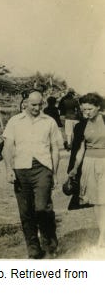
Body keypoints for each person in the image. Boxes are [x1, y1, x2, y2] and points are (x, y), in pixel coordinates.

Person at [3, 90, 62, 259]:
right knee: (26, 211)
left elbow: (55, 149)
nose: (37, 108)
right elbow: (7, 148)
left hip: (43, 167)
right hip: (21, 169)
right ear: (25, 103)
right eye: (33, 104)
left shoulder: (49, 122)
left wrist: (55, 173)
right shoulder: (15, 121)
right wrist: (8, 170)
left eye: (39, 104)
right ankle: (33, 247)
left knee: (42, 207)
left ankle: (49, 242)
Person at [66, 93, 105, 247]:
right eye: (83, 110)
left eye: (89, 109)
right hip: (89, 164)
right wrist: (75, 168)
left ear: (98, 108)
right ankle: (102, 234)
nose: (86, 113)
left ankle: (102, 236)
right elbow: (80, 149)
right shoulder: (81, 125)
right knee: (96, 201)